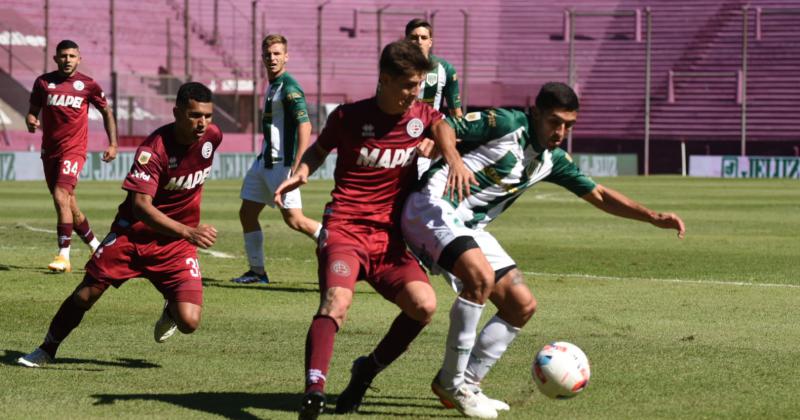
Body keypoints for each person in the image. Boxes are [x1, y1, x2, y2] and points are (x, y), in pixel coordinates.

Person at [402, 82, 686, 418]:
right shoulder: (507, 123)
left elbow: (597, 194)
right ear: (535, 113)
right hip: (431, 206)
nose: (561, 131)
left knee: (521, 305)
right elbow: (445, 124)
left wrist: (651, 217)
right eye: (555, 122)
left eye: (569, 125)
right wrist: (454, 160)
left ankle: (467, 383)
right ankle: (450, 383)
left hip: (467, 227)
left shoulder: (553, 160)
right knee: (479, 279)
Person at [273, 40, 475, 420]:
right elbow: (319, 149)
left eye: (418, 84)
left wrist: (453, 157)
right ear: (384, 79)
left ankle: (367, 370)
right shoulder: (348, 117)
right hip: (345, 229)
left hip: (389, 239)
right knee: (337, 303)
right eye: (408, 85)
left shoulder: (419, 114)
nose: (414, 93)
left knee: (424, 306)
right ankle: (314, 392)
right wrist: (300, 173)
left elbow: (442, 125)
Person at [17, 82, 222, 368]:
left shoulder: (212, 137)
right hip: (133, 237)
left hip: (175, 245)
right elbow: (141, 207)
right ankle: (46, 349)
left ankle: (171, 309)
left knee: (189, 321)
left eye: (207, 116)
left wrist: (184, 234)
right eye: (194, 115)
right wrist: (189, 231)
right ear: (176, 113)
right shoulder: (154, 150)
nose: (202, 123)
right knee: (86, 294)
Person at [232, 34, 321, 284]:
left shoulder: (290, 87)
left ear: (286, 56)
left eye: (277, 54)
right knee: (247, 213)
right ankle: (257, 273)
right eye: (268, 54)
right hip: (264, 163)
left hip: (282, 165)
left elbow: (305, 126)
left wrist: (298, 165)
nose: (272, 58)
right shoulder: (272, 85)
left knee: (295, 220)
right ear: (262, 57)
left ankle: (338, 245)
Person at [26, 39, 118, 273]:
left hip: (74, 150)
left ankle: (63, 256)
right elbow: (32, 111)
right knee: (69, 204)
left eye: (72, 56)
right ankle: (97, 247)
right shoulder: (43, 82)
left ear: (79, 58)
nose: (67, 60)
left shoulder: (88, 85)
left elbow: (106, 112)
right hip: (50, 151)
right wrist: (31, 120)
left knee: (60, 195)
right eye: (63, 56)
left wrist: (113, 144)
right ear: (56, 58)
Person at [405, 18, 463, 177]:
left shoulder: (445, 69)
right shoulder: (394, 68)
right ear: (406, 41)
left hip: (429, 140)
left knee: (424, 190)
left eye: (423, 38)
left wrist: (455, 141)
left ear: (430, 42)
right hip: (400, 137)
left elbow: (456, 113)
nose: (418, 41)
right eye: (413, 37)